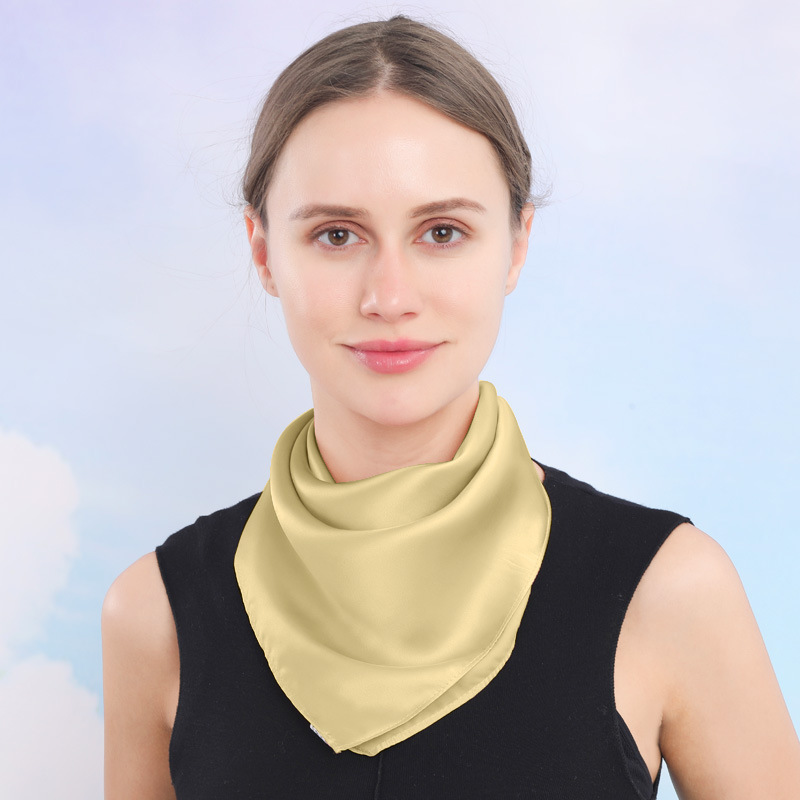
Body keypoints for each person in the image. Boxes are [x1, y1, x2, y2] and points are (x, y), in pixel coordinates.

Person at [101, 15, 800, 799]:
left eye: (441, 231)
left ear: (517, 244)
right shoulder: (154, 614)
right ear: (263, 252)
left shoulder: (668, 589)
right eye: (337, 235)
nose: (390, 297)